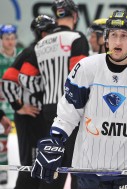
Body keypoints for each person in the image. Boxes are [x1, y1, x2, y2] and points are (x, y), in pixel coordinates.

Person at [30, 10, 127, 189]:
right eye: (113, 35)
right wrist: (55, 141)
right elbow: (68, 114)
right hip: (90, 170)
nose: (118, 41)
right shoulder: (86, 68)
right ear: (106, 38)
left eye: (124, 35)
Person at [20, 0, 89, 188]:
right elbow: (80, 75)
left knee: (52, 163)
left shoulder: (41, 43)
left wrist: (46, 89)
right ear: (75, 16)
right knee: (76, 166)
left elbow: (25, 79)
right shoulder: (77, 38)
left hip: (49, 110)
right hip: (72, 109)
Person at [2, 15, 57, 189]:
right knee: (31, 166)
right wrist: (19, 107)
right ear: (42, 33)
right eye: (50, 31)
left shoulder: (46, 51)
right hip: (30, 118)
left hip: (41, 117)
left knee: (42, 164)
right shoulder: (32, 52)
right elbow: (8, 80)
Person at [0, 24, 23, 185]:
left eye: (12, 38)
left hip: (18, 103)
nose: (10, 41)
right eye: (6, 38)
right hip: (1, 106)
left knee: (24, 140)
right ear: (1, 40)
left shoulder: (21, 56)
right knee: (1, 139)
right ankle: (2, 169)